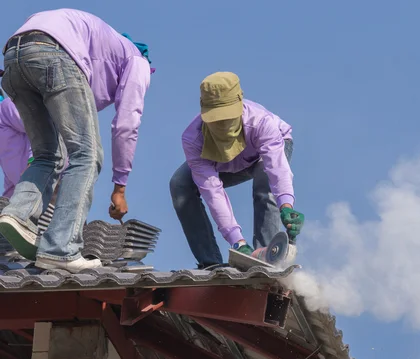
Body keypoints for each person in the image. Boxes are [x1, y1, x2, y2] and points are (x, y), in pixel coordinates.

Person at [0, 8, 153, 272]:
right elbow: (126, 124)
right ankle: (61, 249)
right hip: (53, 52)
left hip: (14, 56)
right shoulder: (137, 62)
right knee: (87, 155)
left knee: (48, 154)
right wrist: (120, 186)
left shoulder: (102, 48)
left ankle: (17, 214)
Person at [170, 71, 304, 269]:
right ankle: (210, 262)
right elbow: (212, 191)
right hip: (224, 163)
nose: (222, 125)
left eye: (227, 118)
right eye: (216, 120)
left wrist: (286, 205)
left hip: (260, 156)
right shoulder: (193, 139)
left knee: (264, 181)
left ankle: (265, 259)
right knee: (180, 184)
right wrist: (237, 241)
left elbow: (277, 169)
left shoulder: (261, 123)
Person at [0, 91, 32, 198]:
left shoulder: (5, 107)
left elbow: (39, 127)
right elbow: (9, 175)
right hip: (25, 190)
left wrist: (34, 161)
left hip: (44, 174)